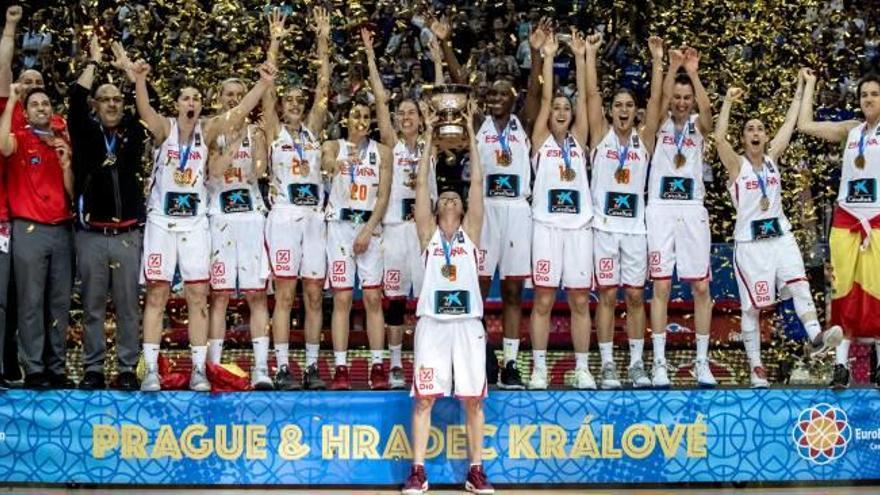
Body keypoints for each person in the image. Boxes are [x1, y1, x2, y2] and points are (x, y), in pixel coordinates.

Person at [134, 57, 275, 392]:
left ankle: (199, 370)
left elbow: (239, 112)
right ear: (177, 104)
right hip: (161, 222)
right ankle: (151, 370)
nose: (192, 102)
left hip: (195, 223)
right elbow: (143, 111)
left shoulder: (208, 130)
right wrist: (139, 80)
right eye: (186, 98)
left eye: (196, 98)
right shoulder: (163, 128)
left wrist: (263, 84)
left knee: (198, 294)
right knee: (157, 294)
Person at [715, 72, 843, 388]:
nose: (756, 132)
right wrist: (728, 102)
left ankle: (815, 336)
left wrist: (800, 88)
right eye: (750, 129)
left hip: (780, 237)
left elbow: (789, 124)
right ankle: (756, 366)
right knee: (753, 307)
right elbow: (718, 139)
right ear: (743, 139)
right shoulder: (736, 165)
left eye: (760, 128)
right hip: (750, 246)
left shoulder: (772, 159)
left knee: (800, 284)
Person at [403, 101, 493, 495]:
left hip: (467, 324)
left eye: (455, 199)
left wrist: (471, 132)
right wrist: (428, 138)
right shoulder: (428, 236)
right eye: (446, 199)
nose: (451, 201)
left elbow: (478, 184)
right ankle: (418, 471)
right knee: (424, 399)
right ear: (437, 209)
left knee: (474, 400)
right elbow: (421, 184)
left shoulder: (471, 233)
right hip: (433, 325)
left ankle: (476, 471)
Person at [363, 27, 440, 389]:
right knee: (394, 301)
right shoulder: (390, 145)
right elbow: (380, 101)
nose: (406, 116)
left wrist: (437, 57)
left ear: (422, 119)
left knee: (427, 302)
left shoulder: (433, 144)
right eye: (402, 113)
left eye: (412, 112)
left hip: (425, 233)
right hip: (395, 231)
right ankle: (395, 366)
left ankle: (427, 362)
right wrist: (370, 55)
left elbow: (443, 101)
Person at [584, 33, 663, 389]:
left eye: (629, 105)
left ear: (636, 111)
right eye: (618, 105)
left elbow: (659, 100)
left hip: (635, 231)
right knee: (607, 296)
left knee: (634, 296)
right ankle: (607, 366)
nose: (623, 110)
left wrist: (659, 61)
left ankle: (635, 364)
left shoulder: (643, 140)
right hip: (603, 228)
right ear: (611, 110)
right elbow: (590, 95)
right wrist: (589, 55)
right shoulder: (600, 134)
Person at [69, 37, 147, 390]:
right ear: (94, 105)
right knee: (93, 307)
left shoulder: (132, 131)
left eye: (117, 99)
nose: (113, 104)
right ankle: (93, 369)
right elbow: (73, 99)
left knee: (129, 308)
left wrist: (134, 77)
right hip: (91, 236)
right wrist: (94, 63)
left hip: (128, 235)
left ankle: (128, 368)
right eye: (106, 99)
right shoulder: (84, 133)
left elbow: (153, 108)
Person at [262, 7, 331, 390]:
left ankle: (313, 367)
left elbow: (324, 87)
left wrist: (322, 39)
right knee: (285, 294)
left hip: (314, 218)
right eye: (286, 99)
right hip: (285, 215)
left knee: (315, 295)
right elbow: (268, 87)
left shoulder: (313, 130)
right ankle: (283, 367)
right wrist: (274, 42)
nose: (292, 103)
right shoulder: (272, 131)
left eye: (296, 99)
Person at [798, 69, 880, 389]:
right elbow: (805, 125)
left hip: (877, 221)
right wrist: (811, 84)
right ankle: (840, 367)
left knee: (876, 293)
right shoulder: (850, 130)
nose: (868, 99)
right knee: (843, 295)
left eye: (874, 94)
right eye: (864, 95)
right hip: (846, 221)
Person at [526, 30, 595, 389]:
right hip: (546, 228)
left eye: (566, 109)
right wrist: (550, 56)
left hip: (579, 229)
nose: (562, 112)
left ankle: (583, 368)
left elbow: (585, 100)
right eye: (557, 109)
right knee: (543, 299)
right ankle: (538, 368)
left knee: (581, 299)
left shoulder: (580, 142)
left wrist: (582, 58)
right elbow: (546, 97)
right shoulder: (540, 142)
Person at [646, 46, 715, 387]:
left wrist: (694, 72)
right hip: (660, 209)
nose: (682, 102)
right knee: (661, 285)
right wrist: (672, 69)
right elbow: (657, 105)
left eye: (686, 97)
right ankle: (659, 363)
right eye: (677, 97)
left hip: (691, 211)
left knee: (701, 286)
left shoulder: (697, 128)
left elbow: (709, 116)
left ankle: (702, 362)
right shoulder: (659, 124)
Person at [0, 82, 73, 389]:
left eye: (46, 104)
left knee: (59, 303)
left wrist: (67, 164)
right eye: (35, 105)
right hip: (28, 229)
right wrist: (12, 101)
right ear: (26, 113)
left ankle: (56, 368)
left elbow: (72, 193)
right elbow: (1, 144)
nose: (42, 108)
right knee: (30, 302)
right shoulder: (20, 139)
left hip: (62, 229)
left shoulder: (63, 142)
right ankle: (33, 368)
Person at [321, 99, 393, 390]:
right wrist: (337, 165)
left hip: (369, 227)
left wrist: (367, 230)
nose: (361, 119)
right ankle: (340, 368)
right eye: (355, 114)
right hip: (338, 227)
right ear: (346, 120)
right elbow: (325, 164)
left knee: (374, 299)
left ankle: (378, 366)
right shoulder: (333, 146)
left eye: (365, 115)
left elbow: (384, 197)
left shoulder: (383, 153)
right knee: (341, 299)